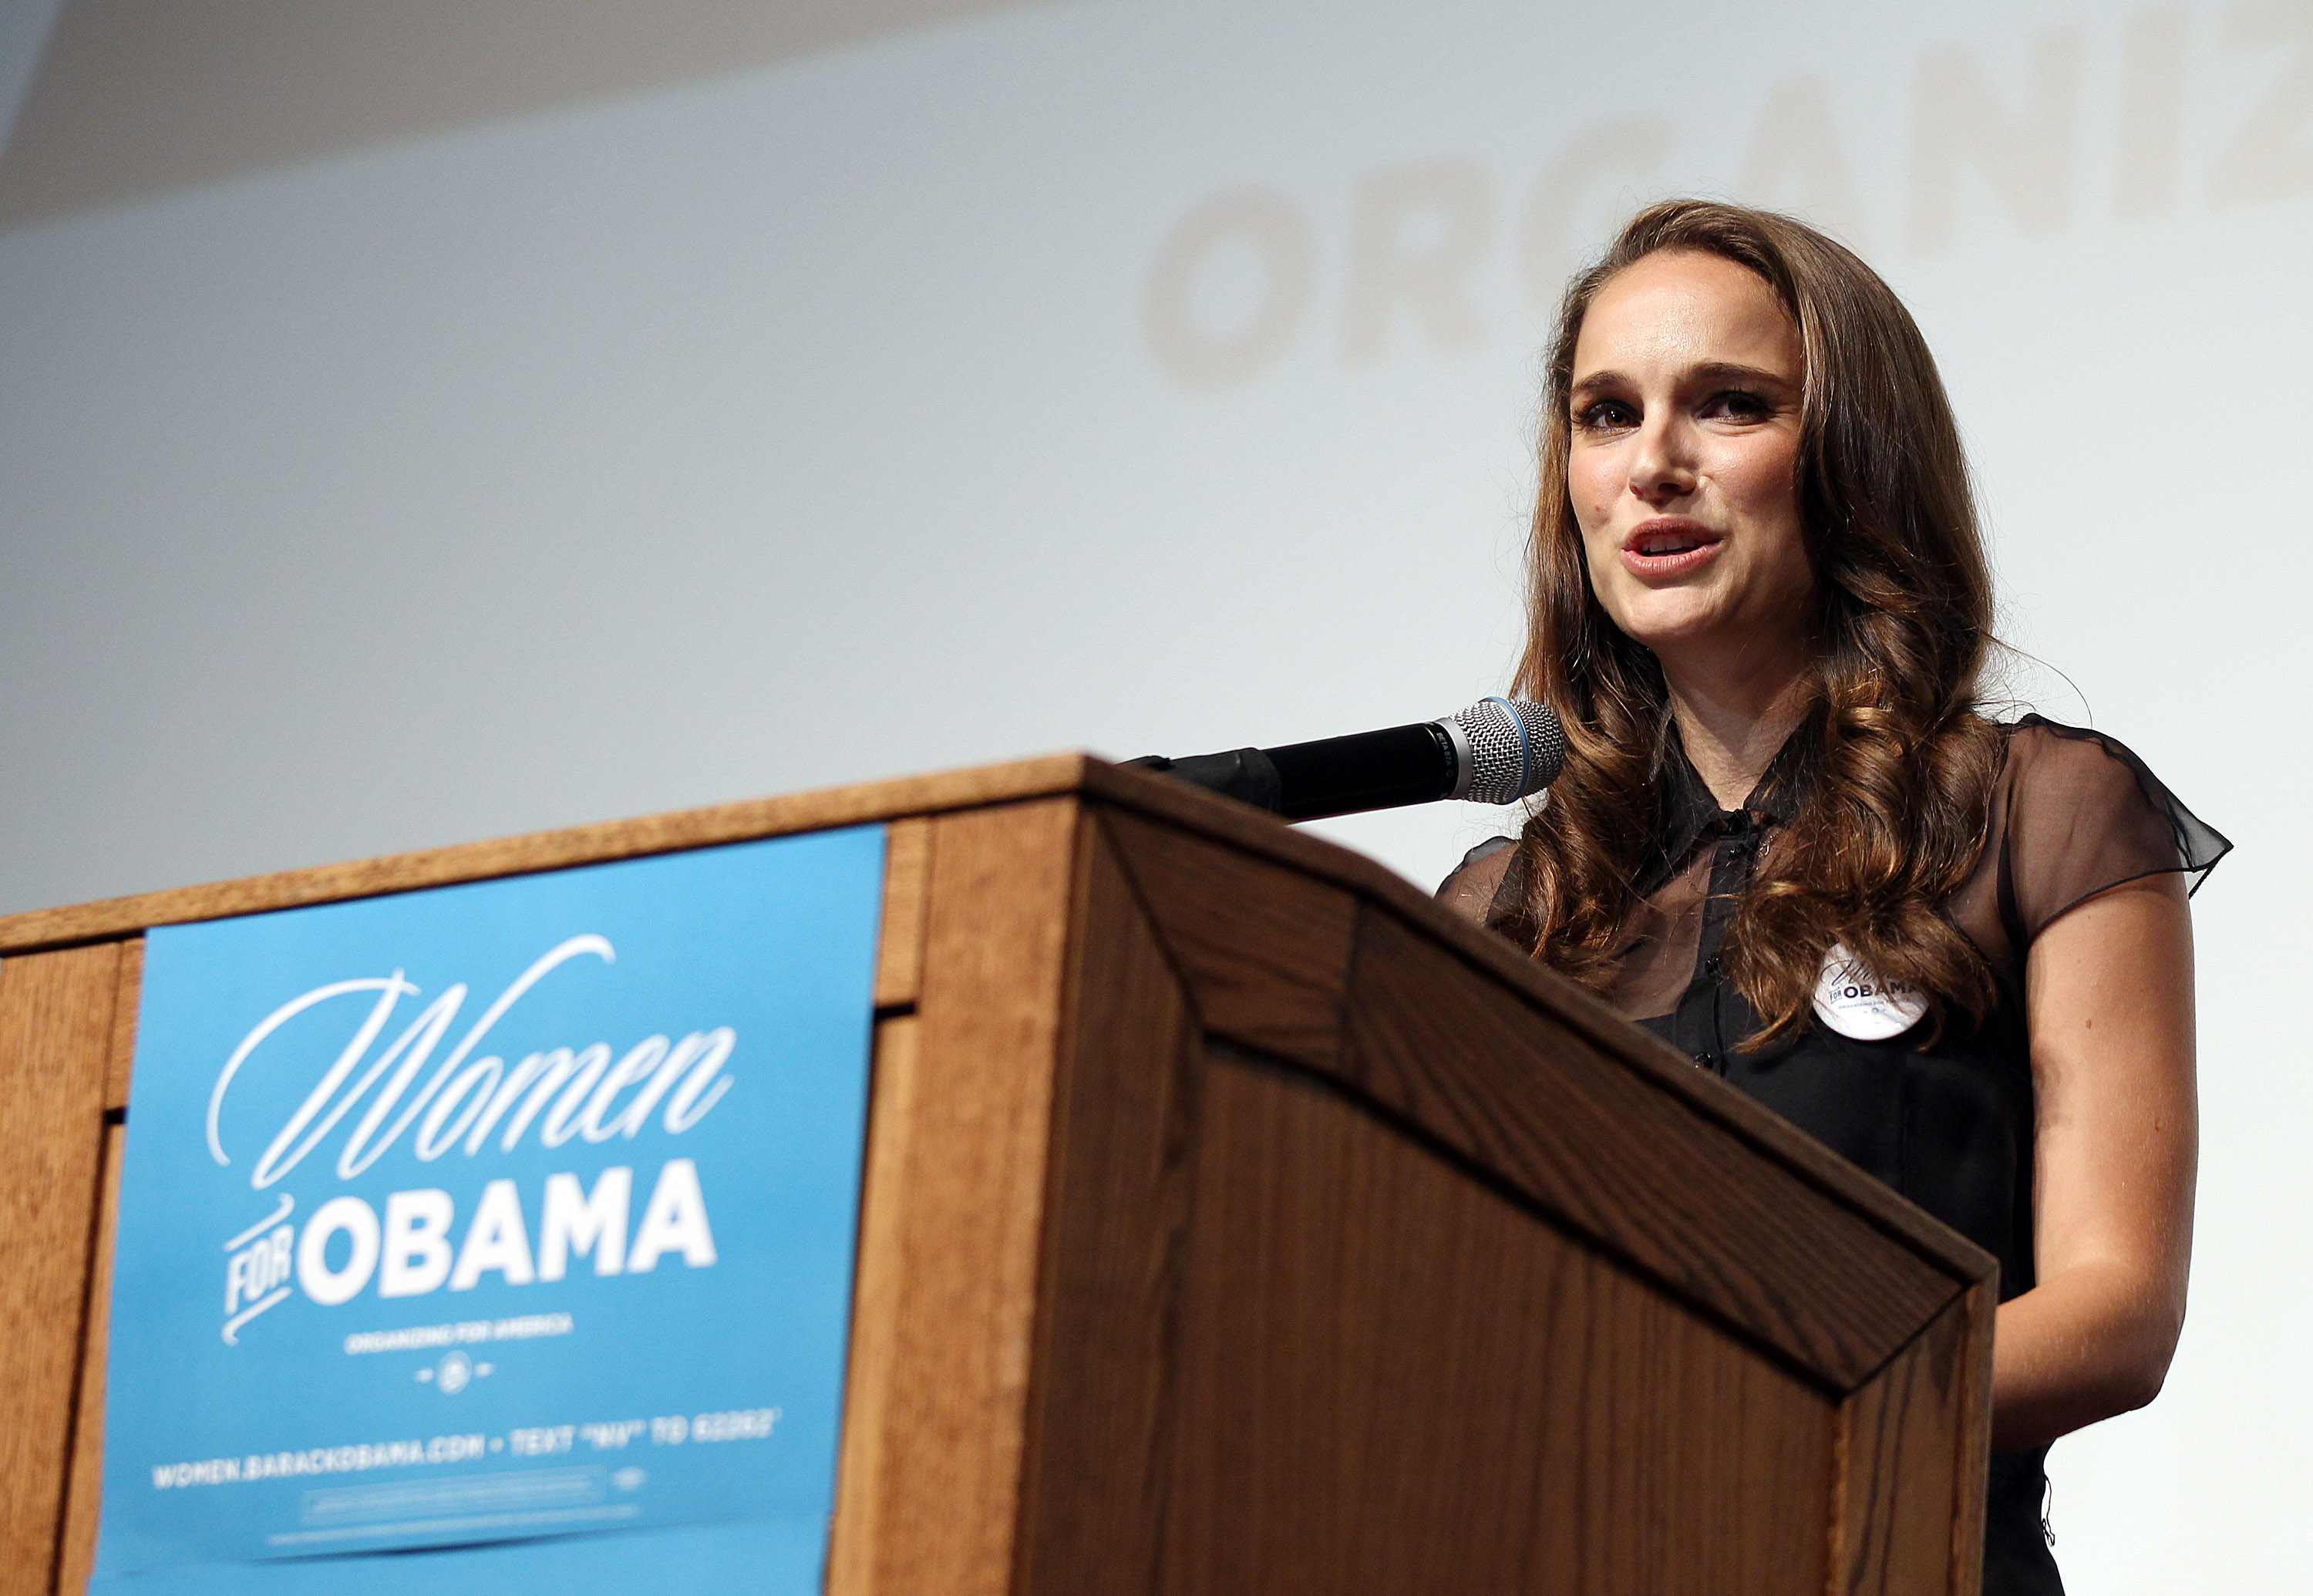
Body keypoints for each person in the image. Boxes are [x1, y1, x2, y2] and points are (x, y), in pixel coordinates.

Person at [1437, 200, 2227, 1595]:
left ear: (1851, 456)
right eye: (1606, 415)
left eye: (1728, 406)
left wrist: (1736, 1407)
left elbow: (2114, 1315)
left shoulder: (2035, 810)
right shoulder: (1512, 903)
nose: (1654, 467)